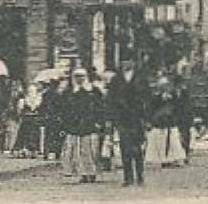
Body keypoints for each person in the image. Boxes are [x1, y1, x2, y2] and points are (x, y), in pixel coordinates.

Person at [107, 55, 150, 187]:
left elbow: (148, 99)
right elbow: (111, 100)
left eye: (129, 61)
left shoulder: (141, 78)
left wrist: (147, 119)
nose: (126, 63)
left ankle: (140, 176)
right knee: (125, 148)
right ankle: (128, 178)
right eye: (124, 61)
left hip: (138, 118)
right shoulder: (116, 79)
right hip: (122, 118)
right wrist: (112, 118)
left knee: (138, 148)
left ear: (134, 62)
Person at [56, 67, 104, 183]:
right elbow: (64, 109)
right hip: (75, 125)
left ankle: (91, 172)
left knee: (90, 150)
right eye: (77, 76)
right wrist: (64, 124)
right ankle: (82, 173)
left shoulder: (94, 91)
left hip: (90, 124)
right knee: (77, 151)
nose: (79, 79)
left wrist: (100, 122)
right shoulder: (69, 92)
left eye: (81, 76)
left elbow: (101, 107)